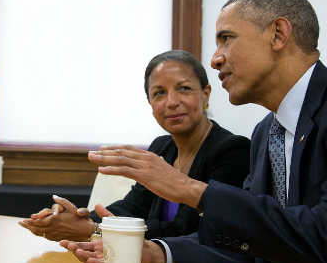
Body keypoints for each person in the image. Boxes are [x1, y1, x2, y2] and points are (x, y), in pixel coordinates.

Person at [62, 0, 327, 263]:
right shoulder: (267, 132)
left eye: (226, 38)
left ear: (278, 34)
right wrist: (155, 253)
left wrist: (189, 189)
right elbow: (245, 240)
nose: (215, 59)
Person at [19, 50, 250, 242]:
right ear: (151, 103)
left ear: (206, 94)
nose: (171, 102)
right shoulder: (162, 147)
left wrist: (96, 231)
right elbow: (132, 208)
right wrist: (79, 219)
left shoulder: (232, 150)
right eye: (159, 93)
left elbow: (191, 231)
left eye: (184, 89)